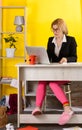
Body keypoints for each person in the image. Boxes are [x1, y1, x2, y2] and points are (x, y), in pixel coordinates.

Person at [32, 18, 77, 125]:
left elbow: (74, 57)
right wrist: (40, 58)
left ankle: (67, 109)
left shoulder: (71, 40)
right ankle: (38, 107)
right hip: (53, 72)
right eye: (53, 30)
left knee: (52, 83)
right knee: (42, 81)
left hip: (65, 73)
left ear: (62, 29)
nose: (55, 32)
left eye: (57, 29)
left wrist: (66, 59)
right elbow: (48, 57)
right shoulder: (50, 40)